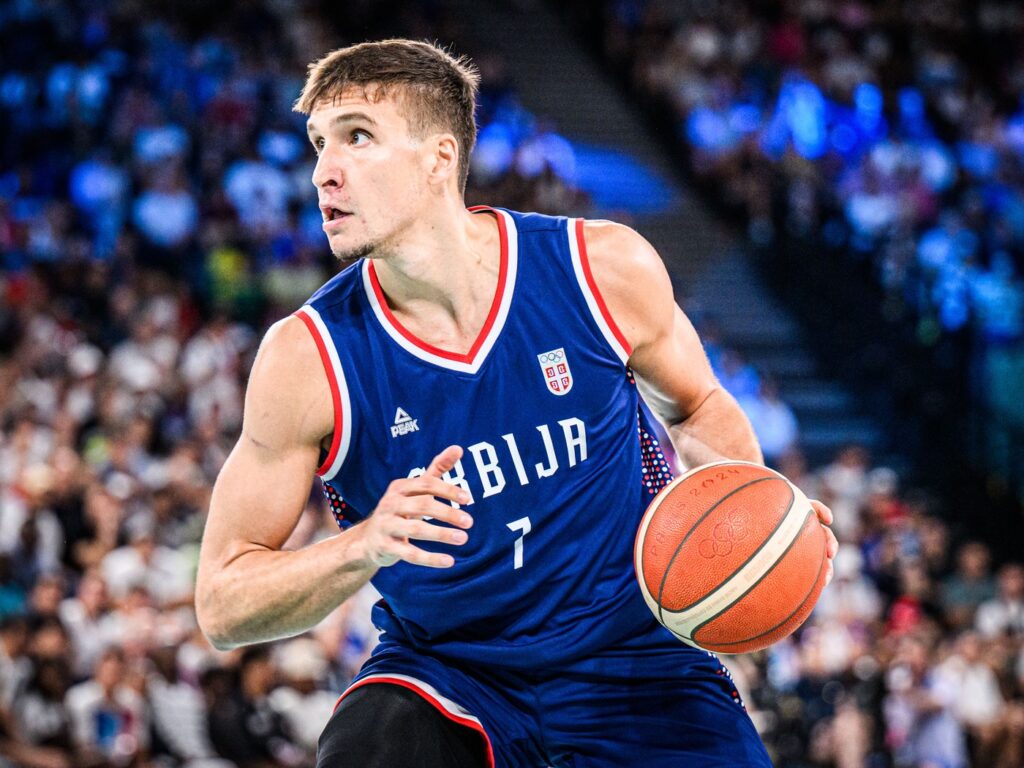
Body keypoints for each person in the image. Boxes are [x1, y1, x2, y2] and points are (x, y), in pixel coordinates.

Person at [195, 39, 838, 767]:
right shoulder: (306, 357)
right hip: (450, 674)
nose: (323, 172)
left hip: (632, 653)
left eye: (358, 137)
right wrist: (363, 544)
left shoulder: (600, 267)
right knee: (371, 745)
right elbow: (222, 603)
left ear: (439, 158)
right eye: (319, 143)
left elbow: (696, 407)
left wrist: (758, 517)